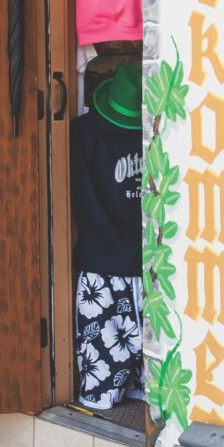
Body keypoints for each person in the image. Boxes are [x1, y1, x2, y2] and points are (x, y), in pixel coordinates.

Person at [68, 59, 144, 410]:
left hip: (134, 261)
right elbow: (84, 197)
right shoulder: (84, 134)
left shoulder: (158, 133)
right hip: (108, 265)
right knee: (105, 358)